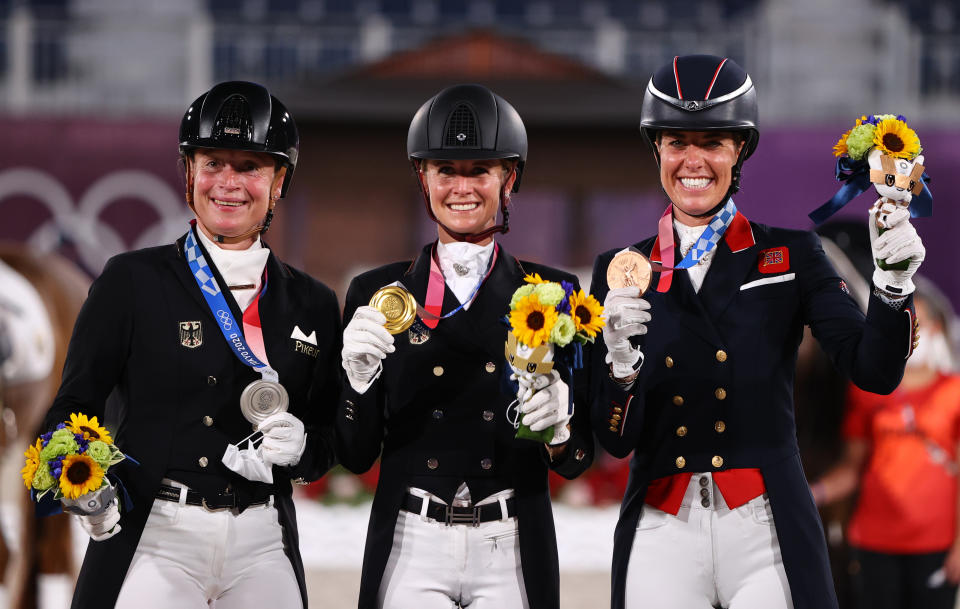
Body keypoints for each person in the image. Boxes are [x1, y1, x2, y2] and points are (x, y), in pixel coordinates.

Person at [589, 55, 925, 609]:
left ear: (739, 150)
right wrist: (620, 366)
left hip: (765, 524)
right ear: (657, 149)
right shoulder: (619, 269)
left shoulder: (792, 254)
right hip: (661, 524)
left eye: (713, 142)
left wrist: (891, 288)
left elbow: (875, 371)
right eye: (676, 142)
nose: (693, 160)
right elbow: (615, 439)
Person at [39, 81, 341, 609]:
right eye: (212, 163)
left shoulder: (313, 303)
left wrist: (305, 450)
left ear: (279, 183)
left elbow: (327, 442)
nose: (227, 183)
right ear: (189, 174)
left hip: (262, 538)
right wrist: (81, 480)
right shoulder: (129, 281)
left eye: (249, 167)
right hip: (155, 535)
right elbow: (70, 408)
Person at [337, 83, 594, 609]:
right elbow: (356, 452)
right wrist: (357, 386)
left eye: (479, 170)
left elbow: (575, 462)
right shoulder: (378, 294)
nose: (462, 186)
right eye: (445, 170)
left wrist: (562, 429)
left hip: (512, 540)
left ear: (509, 178)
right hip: (412, 540)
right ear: (422, 177)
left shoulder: (555, 293)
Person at [811, 277, 960, 609]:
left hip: (935, 544)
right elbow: (852, 468)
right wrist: (809, 494)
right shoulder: (868, 388)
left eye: (924, 326)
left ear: (939, 330)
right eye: (909, 328)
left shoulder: (955, 392)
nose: (917, 337)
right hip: (873, 541)